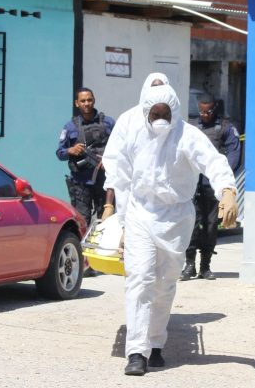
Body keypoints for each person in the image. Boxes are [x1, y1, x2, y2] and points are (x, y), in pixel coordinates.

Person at [112, 84, 238, 376]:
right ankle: (136, 351)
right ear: (145, 111)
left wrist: (227, 190)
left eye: (164, 112)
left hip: (176, 218)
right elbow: (121, 180)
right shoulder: (133, 135)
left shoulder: (188, 136)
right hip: (140, 214)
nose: (159, 117)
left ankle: (155, 343)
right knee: (140, 278)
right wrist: (121, 222)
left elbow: (215, 162)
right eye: (154, 112)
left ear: (175, 111)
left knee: (165, 282)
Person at [180, 94, 241, 281]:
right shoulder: (190, 127)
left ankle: (205, 266)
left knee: (211, 225)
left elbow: (233, 153)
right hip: (193, 184)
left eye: (208, 111)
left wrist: (223, 180)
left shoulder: (225, 128)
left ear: (215, 109)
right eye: (201, 111)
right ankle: (189, 264)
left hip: (213, 186)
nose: (204, 115)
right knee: (191, 224)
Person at [56, 87, 115, 276]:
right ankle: (84, 262)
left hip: (104, 182)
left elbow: (122, 147)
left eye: (89, 100)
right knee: (82, 220)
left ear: (94, 100)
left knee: (104, 221)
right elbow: (60, 153)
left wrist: (109, 160)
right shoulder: (70, 127)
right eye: (83, 101)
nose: (87, 104)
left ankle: (101, 260)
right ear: (77, 103)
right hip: (80, 182)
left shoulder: (108, 123)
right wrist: (70, 151)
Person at [100, 72, 170, 221]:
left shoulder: (175, 124)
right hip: (134, 202)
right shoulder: (128, 120)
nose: (157, 92)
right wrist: (109, 204)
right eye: (154, 88)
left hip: (167, 205)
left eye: (161, 88)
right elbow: (114, 162)